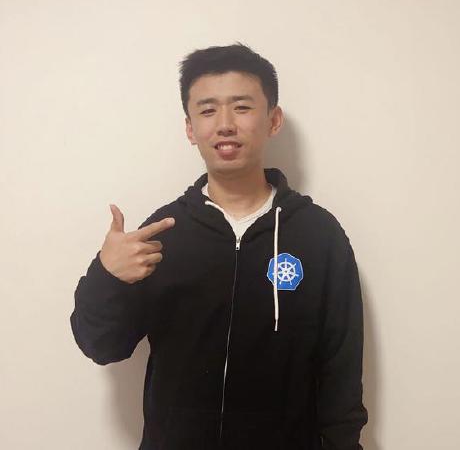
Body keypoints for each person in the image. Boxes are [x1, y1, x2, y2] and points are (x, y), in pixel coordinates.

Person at [70, 42, 368, 450]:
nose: (225, 124)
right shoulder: (163, 234)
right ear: (190, 129)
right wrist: (107, 277)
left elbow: (342, 367)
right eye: (208, 110)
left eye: (242, 107)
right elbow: (101, 346)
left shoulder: (318, 235)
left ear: (273, 120)